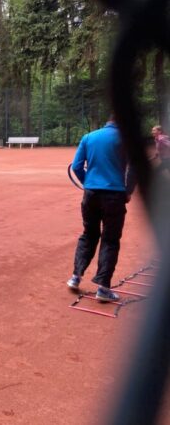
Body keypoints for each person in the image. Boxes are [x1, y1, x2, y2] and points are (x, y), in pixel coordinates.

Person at [66, 115, 136, 302]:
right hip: (114, 195)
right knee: (110, 240)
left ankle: (75, 276)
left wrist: (87, 182)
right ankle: (103, 288)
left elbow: (77, 166)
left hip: (90, 195)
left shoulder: (89, 137)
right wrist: (128, 191)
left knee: (89, 234)